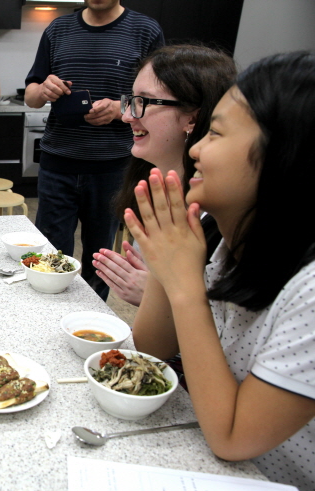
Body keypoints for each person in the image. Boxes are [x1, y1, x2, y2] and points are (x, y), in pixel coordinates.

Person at [128, 51, 315, 491]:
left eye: (215, 133)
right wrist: (166, 258)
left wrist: (184, 285)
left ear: (281, 157)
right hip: (224, 479)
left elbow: (232, 437)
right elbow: (149, 349)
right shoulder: (224, 239)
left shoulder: (309, 288)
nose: (195, 150)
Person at [24, 0, 163, 301]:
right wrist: (43, 89)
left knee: (100, 259)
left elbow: (159, 101)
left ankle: (91, 321)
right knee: (49, 255)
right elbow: (32, 96)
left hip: (113, 168)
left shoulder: (145, 31)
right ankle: (47, 319)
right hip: (57, 165)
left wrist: (118, 108)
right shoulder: (58, 29)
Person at [91, 44, 236, 305]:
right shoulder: (155, 187)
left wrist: (160, 297)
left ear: (192, 119)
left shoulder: (220, 214)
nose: (126, 116)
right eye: (130, 101)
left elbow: (231, 329)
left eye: (142, 102)